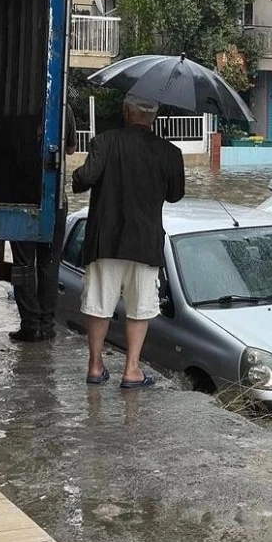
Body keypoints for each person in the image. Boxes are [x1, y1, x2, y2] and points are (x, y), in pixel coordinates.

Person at [72, 97, 185, 388]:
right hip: (144, 244)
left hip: (105, 241)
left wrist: (75, 174)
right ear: (154, 118)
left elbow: (85, 178)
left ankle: (96, 367)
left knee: (98, 304)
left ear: (125, 112)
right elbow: (175, 195)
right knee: (140, 306)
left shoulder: (104, 142)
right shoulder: (170, 152)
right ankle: (131, 370)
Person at [9, 104, 77, 343]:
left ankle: (30, 325)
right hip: (55, 197)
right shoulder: (63, 108)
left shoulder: (17, 108)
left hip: (21, 197)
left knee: (23, 265)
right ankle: (46, 324)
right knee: (49, 263)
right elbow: (71, 148)